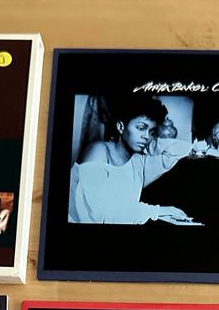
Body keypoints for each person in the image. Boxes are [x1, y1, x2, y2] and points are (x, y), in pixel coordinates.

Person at [68, 95, 195, 225]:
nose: (146, 136)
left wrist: (153, 144)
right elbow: (98, 215)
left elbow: (179, 150)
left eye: (152, 132)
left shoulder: (138, 161)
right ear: (121, 127)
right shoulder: (99, 150)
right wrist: (158, 211)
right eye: (141, 128)